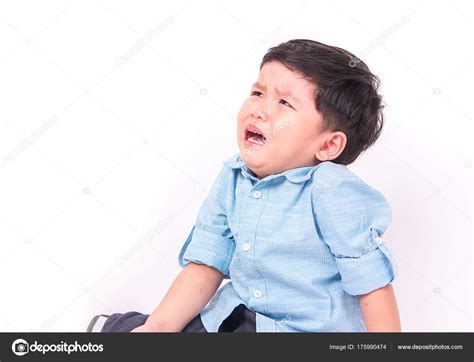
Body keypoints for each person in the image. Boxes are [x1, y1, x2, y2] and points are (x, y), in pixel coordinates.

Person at [95, 39, 401, 333]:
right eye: (257, 93)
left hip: (304, 330)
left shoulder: (331, 190)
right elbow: (207, 264)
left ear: (329, 144)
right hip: (236, 317)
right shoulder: (233, 175)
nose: (259, 110)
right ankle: (126, 326)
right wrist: (158, 327)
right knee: (171, 327)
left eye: (284, 102)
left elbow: (371, 283)